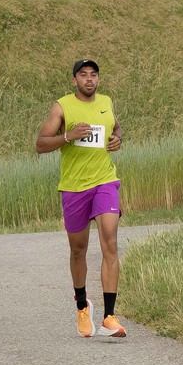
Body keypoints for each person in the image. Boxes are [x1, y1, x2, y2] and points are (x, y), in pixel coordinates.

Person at [36, 58, 125, 338]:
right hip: (74, 187)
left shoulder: (107, 102)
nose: (89, 79)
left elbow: (116, 128)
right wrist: (68, 136)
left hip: (105, 181)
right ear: (75, 80)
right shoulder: (62, 106)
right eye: (83, 75)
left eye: (93, 74)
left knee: (110, 242)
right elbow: (40, 144)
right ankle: (82, 305)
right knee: (78, 250)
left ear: (98, 79)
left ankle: (109, 317)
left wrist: (117, 139)